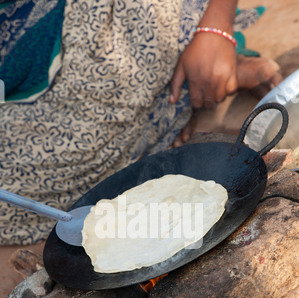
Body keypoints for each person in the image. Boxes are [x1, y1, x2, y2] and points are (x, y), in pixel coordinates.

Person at [0, 0, 281, 245]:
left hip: (118, 21)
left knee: (134, 54)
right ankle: (194, 88)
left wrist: (215, 29)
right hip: (19, 70)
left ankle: (204, 71)